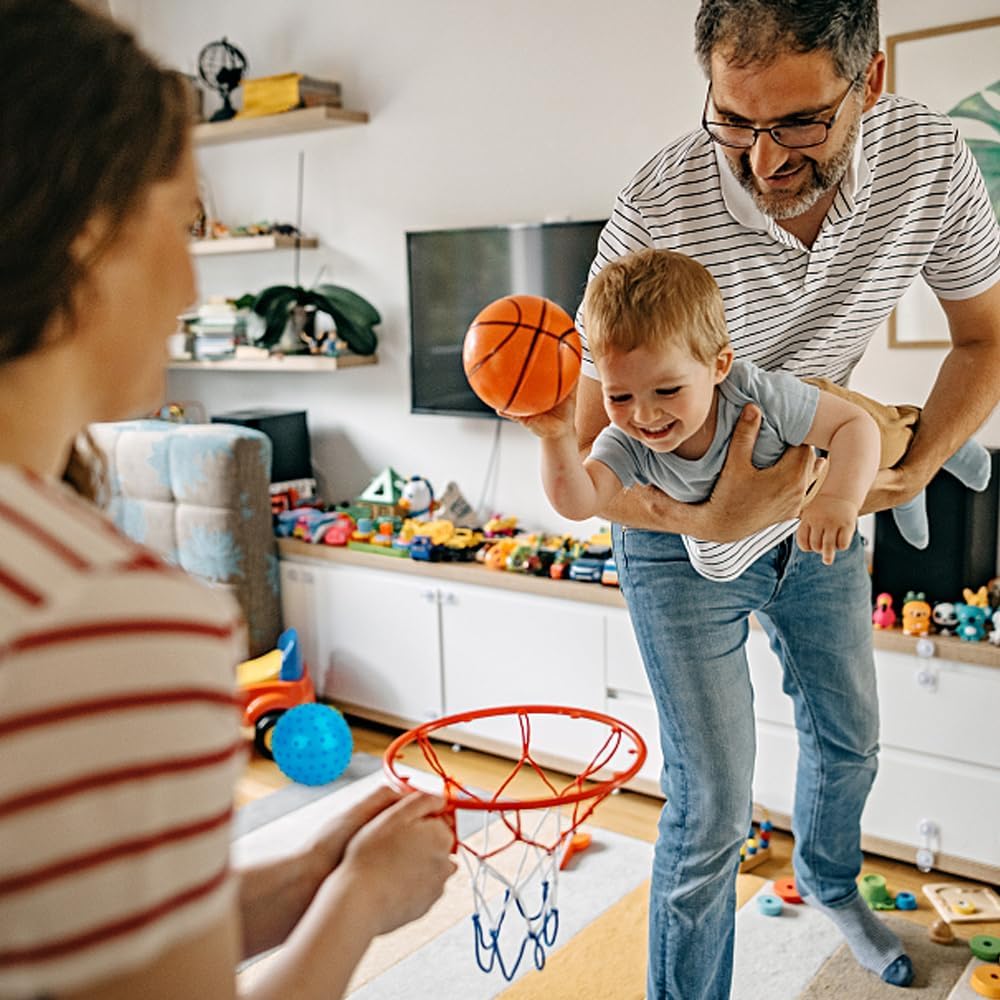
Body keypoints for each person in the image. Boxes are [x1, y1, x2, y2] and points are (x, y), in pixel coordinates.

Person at [0, 3, 456, 999]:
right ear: (87, 238)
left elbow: (52, 940)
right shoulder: (103, 632)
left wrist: (301, 875)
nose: (191, 283)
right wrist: (357, 909)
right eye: (181, 223)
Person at [570, 2, 1000, 998]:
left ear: (871, 82)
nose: (761, 163)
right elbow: (596, 429)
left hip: (819, 505)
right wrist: (704, 518)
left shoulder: (927, 162)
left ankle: (829, 878)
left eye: (800, 124)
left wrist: (909, 467)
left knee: (849, 737)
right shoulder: (658, 199)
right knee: (710, 805)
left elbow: (982, 339)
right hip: (677, 534)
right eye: (733, 121)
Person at [517, 248, 990, 576]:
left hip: (817, 427)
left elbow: (854, 428)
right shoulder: (629, 442)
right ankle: (901, 488)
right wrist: (555, 437)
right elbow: (580, 503)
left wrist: (842, 501)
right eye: (619, 397)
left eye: (667, 390)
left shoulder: (757, 395)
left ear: (719, 364)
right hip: (787, 494)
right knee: (847, 482)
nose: (644, 414)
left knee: (884, 443)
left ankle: (940, 448)